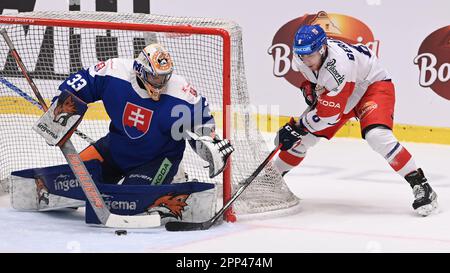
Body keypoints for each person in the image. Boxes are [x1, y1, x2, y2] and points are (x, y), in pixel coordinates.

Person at [273, 24, 438, 216]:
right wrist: (309, 88)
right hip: (344, 90)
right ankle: (270, 181)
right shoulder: (302, 59)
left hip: (372, 86)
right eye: (302, 55)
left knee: (377, 136)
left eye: (310, 55)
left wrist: (297, 126)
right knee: (302, 140)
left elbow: (329, 115)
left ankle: (421, 184)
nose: (306, 60)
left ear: (323, 48)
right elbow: (318, 86)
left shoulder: (338, 67)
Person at [55, 43, 234, 185]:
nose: (161, 83)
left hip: (158, 161)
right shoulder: (114, 72)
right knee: (64, 183)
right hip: (114, 150)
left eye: (165, 77)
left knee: (126, 202)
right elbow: (82, 82)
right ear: (140, 70)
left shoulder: (181, 93)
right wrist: (60, 105)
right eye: (156, 77)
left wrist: (209, 143)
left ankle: (175, 177)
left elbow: (201, 121)